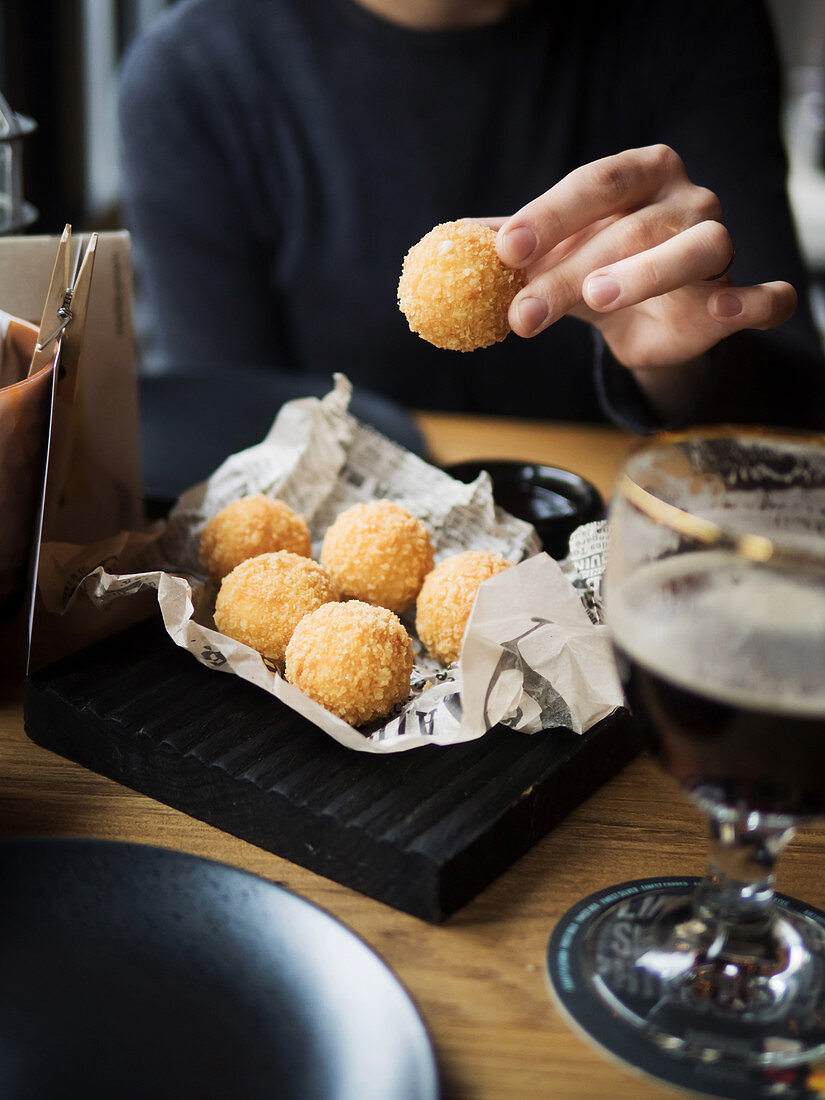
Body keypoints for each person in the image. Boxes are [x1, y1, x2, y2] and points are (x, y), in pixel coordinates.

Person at [117, 0, 825, 496]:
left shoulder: (690, 24)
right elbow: (230, 446)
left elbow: (795, 445)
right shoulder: (193, 78)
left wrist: (691, 365)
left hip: (630, 561)